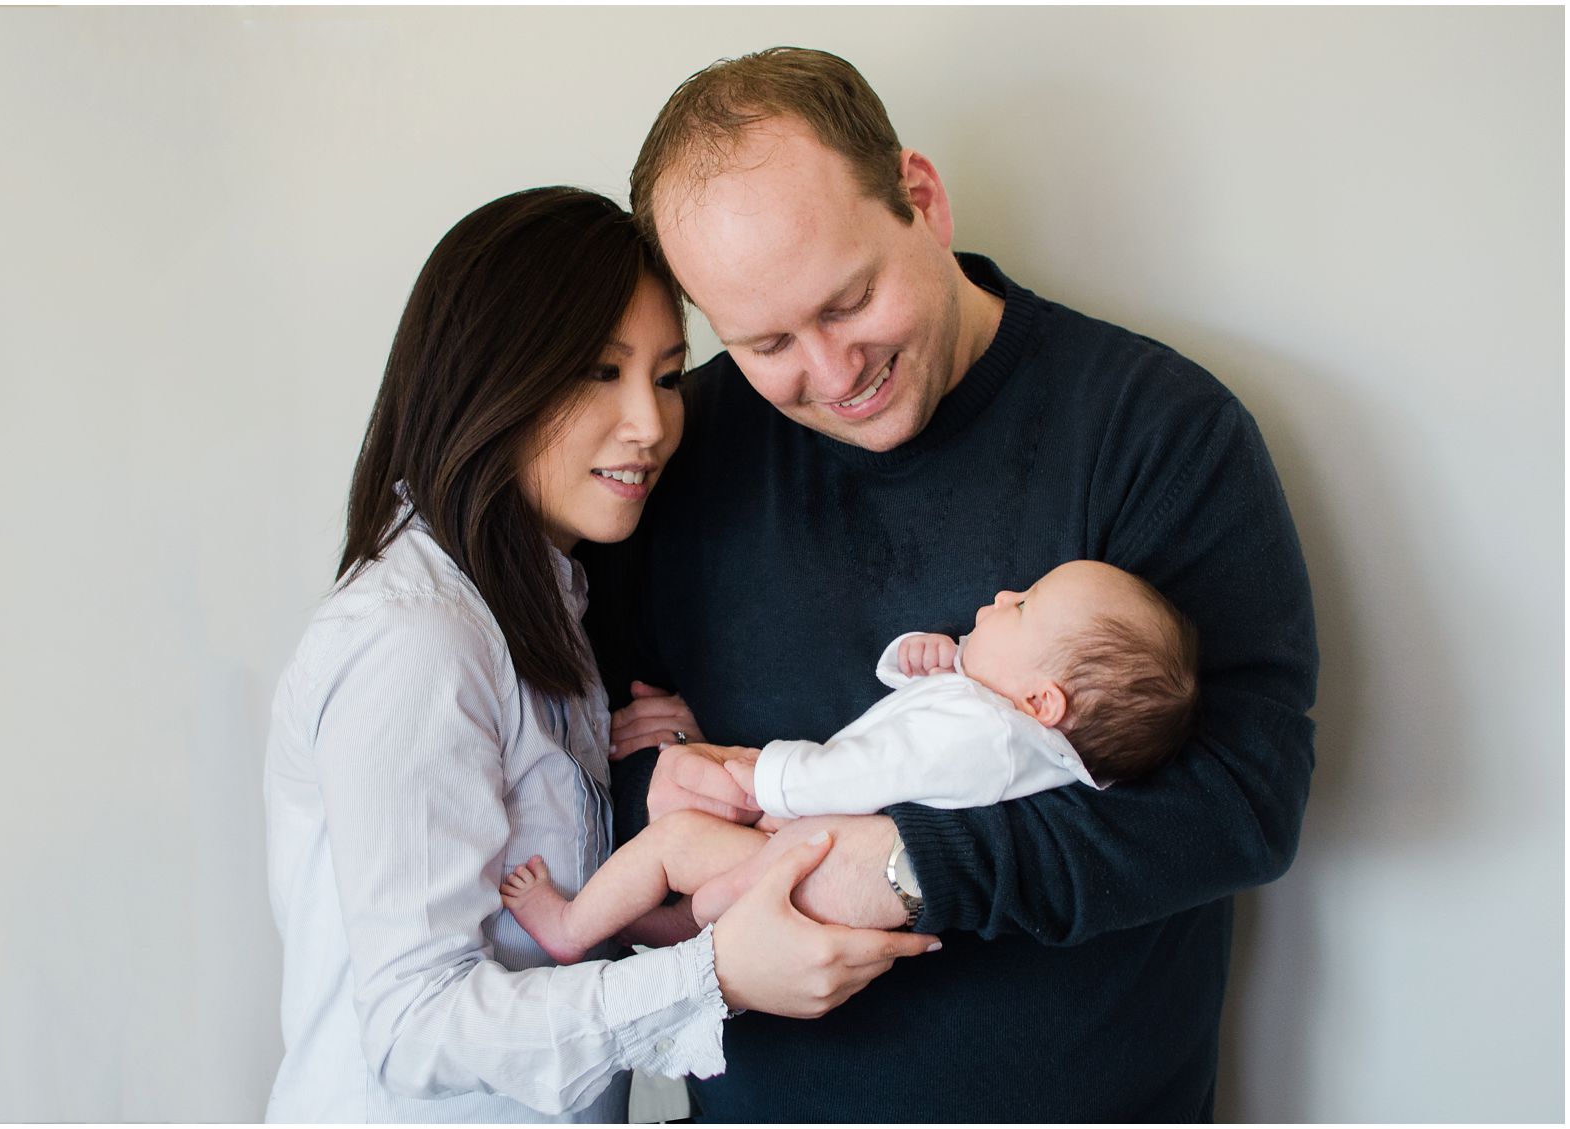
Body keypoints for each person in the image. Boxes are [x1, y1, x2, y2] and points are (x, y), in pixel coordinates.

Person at [582, 47, 1318, 1121]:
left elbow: (1240, 804)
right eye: (765, 343)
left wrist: (907, 865)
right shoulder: (672, 457)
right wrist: (648, 789)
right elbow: (563, 773)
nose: (832, 377)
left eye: (849, 302)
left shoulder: (1153, 430)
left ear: (918, 200)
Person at [261, 187, 937, 1123]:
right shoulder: (414, 635)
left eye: (666, 375)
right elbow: (416, 1028)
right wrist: (716, 977)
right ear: (488, 377)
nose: (651, 424)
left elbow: (548, 933)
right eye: (597, 372)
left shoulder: (543, 607)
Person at [501, 559, 1199, 963]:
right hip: (813, 853)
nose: (1006, 595)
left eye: (1024, 606)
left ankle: (572, 927)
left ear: (1043, 701)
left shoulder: (984, 734)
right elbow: (917, 715)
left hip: (812, 836)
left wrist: (766, 774)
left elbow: (876, 762)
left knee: (679, 844)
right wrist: (933, 658)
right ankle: (634, 924)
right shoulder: (1010, 728)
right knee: (709, 900)